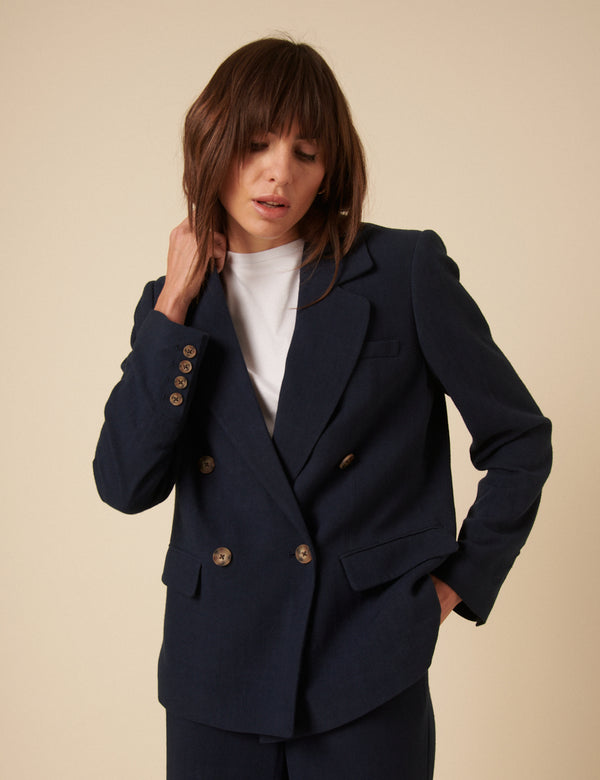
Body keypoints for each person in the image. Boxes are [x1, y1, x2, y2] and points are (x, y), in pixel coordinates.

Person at [93, 37, 552, 779]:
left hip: (364, 661)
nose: (280, 172)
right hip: (215, 671)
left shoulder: (402, 271)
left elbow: (519, 440)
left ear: (330, 169)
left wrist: (457, 583)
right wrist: (173, 302)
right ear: (212, 144)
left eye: (306, 152)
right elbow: (124, 484)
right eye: (256, 144)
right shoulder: (172, 305)